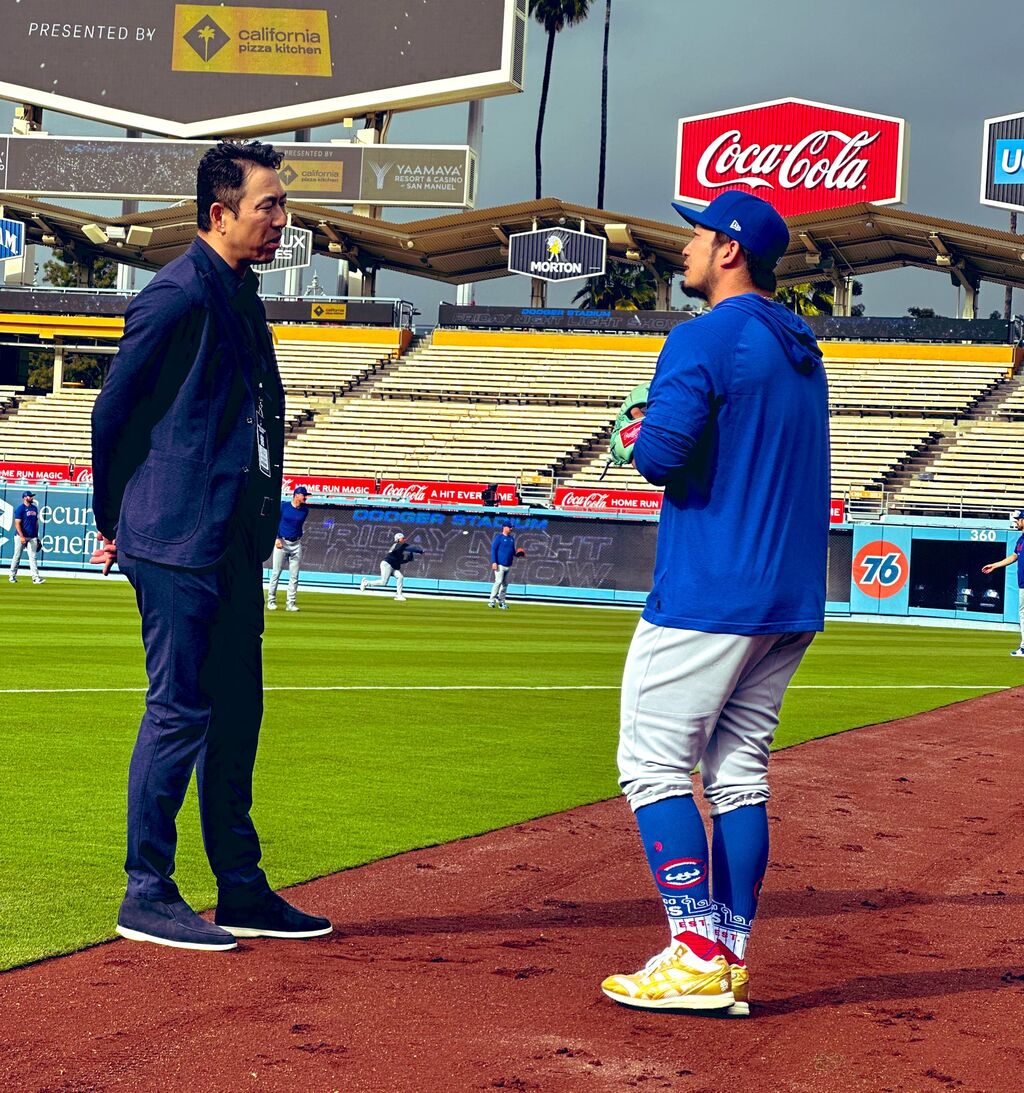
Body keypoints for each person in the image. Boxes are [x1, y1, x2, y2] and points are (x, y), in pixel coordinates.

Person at [90, 140, 331, 951]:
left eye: (282, 203)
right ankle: (146, 890)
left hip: (229, 537)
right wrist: (114, 517)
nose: (282, 218)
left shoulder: (240, 294)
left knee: (237, 713)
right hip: (176, 537)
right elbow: (112, 412)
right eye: (270, 204)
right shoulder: (177, 293)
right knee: (179, 709)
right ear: (220, 213)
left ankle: (241, 886)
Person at [600, 191, 829, 1015]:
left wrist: (634, 427)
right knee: (737, 776)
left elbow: (660, 456)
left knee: (653, 766)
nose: (686, 246)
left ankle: (693, 952)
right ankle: (726, 954)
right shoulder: (802, 346)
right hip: (789, 596)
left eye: (697, 233)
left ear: (730, 249)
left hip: (710, 591)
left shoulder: (702, 335)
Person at [981, 509, 1024, 655]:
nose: (1016, 522)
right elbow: (1014, 556)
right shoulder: (1021, 539)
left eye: (1018, 520)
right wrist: (995, 565)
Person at [268, 486, 310, 612]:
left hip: (296, 543)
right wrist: (276, 538)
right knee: (276, 573)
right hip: (282, 542)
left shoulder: (305, 510)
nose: (305, 497)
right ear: (296, 495)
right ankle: (271, 601)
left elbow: (295, 526)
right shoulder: (283, 506)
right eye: (303, 495)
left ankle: (290, 604)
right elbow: (274, 522)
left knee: (294, 576)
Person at [360, 531, 422, 600]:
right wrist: (420, 551)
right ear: (398, 540)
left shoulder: (399, 549)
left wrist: (407, 560)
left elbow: (399, 561)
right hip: (387, 565)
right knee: (383, 582)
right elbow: (410, 548)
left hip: (392, 566)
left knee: (400, 577)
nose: (404, 539)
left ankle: (399, 595)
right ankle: (366, 583)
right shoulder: (398, 545)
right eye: (402, 538)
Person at [8, 490, 44, 584]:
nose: (32, 498)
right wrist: (21, 536)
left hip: (32, 536)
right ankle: (12, 575)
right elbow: (17, 523)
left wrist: (36, 536)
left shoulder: (34, 508)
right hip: (21, 536)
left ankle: (35, 578)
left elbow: (36, 522)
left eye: (32, 496)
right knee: (17, 556)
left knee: (33, 557)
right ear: (24, 498)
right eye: (30, 496)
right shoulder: (20, 509)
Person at [488, 522, 524, 609]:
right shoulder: (499, 537)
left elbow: (512, 551)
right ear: (504, 527)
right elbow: (493, 549)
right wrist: (494, 562)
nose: (511, 529)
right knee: (498, 582)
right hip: (500, 564)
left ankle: (501, 602)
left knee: (505, 584)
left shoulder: (511, 538)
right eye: (509, 527)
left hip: (508, 565)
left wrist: (518, 554)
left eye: (511, 527)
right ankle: (491, 601)